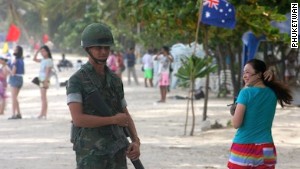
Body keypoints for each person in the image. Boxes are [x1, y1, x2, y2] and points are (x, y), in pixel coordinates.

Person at [66, 23, 141, 169]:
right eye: (98, 48)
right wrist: (113, 120)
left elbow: (125, 114)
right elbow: (78, 119)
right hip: (91, 154)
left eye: (106, 48)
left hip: (117, 149)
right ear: (88, 49)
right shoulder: (77, 80)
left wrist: (136, 141)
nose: (103, 51)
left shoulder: (114, 80)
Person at [228, 59, 293, 169]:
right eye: (243, 72)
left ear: (259, 74)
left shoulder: (245, 93)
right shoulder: (272, 93)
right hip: (267, 148)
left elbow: (236, 123)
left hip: (243, 147)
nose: (244, 76)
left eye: (247, 72)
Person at [33, 45, 54, 119]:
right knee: (43, 97)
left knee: (43, 97)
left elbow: (47, 72)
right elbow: (34, 59)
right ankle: (43, 113)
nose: (42, 53)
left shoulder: (49, 60)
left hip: (44, 80)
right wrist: (37, 51)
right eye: (41, 51)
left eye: (43, 51)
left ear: (47, 52)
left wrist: (46, 81)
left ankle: (43, 113)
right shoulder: (43, 60)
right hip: (41, 79)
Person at [8, 45, 25, 119]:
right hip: (20, 78)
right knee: (15, 97)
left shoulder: (15, 60)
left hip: (14, 79)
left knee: (13, 98)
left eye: (15, 50)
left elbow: (13, 72)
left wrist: (8, 69)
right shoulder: (21, 60)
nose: (14, 51)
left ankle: (13, 114)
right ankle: (18, 113)